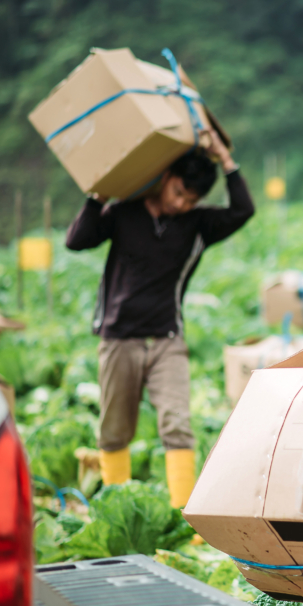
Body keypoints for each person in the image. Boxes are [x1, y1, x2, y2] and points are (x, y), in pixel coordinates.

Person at [65, 129, 254, 508]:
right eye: (178, 193)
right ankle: (115, 505)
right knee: (115, 429)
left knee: (178, 424)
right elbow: (77, 239)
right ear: (166, 178)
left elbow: (242, 210)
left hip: (167, 338)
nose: (182, 203)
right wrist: (99, 193)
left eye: (192, 199)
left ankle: (181, 512)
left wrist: (226, 160)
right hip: (119, 336)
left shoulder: (198, 225)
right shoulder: (123, 212)